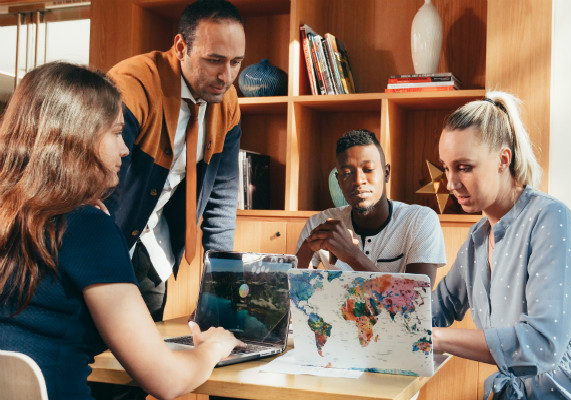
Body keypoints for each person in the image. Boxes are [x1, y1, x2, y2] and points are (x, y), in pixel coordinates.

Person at [0, 62, 243, 400]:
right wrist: (213, 348)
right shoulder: (84, 227)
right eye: (116, 132)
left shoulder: (13, 218)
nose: (126, 148)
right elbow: (166, 380)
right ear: (78, 137)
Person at [433, 91, 571, 399]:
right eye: (446, 167)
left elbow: (541, 344)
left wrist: (435, 338)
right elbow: (435, 308)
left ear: (503, 160)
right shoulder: (477, 240)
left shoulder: (551, 219)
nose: (450, 183)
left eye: (464, 167)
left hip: (568, 391)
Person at [105, 0, 245, 322]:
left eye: (236, 62)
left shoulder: (227, 103)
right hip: (107, 238)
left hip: (153, 250)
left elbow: (221, 198)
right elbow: (100, 183)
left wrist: (222, 285)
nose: (226, 76)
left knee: (147, 358)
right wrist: (99, 264)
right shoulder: (132, 85)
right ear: (181, 47)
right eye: (214, 60)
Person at [295, 129, 446, 284]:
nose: (358, 181)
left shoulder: (420, 220)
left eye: (368, 170)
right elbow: (292, 291)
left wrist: (352, 255)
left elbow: (417, 300)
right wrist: (307, 247)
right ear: (338, 181)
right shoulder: (319, 224)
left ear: (386, 173)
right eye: (347, 173)